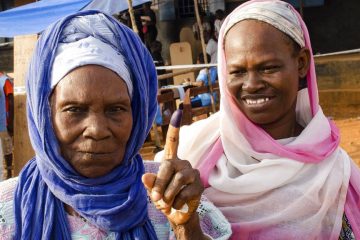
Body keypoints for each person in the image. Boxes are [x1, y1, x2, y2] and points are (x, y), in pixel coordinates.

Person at [0, 11, 232, 239]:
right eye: (74, 110)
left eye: (116, 109)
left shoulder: (168, 194)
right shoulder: (8, 208)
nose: (97, 130)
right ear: (45, 116)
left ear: (137, 115)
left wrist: (186, 229)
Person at [156, 0, 360, 239]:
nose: (251, 85)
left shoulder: (333, 174)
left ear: (302, 63)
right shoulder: (192, 153)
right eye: (238, 71)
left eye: (268, 68)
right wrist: (187, 226)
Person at [0, 72, 13, 180]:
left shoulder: (5, 81)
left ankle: (9, 172)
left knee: (7, 149)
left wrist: (11, 123)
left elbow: (11, 101)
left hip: (4, 123)